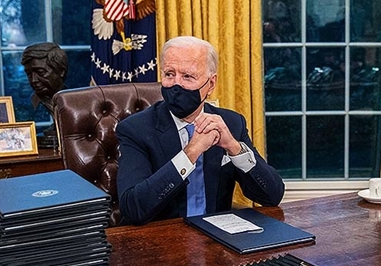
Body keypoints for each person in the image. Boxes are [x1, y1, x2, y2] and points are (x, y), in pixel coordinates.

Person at [116, 36, 285, 225]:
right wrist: (191, 153)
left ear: (211, 84)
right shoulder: (135, 129)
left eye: (187, 76)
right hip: (161, 235)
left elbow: (272, 195)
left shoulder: (231, 123)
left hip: (216, 235)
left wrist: (234, 147)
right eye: (169, 74)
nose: (176, 84)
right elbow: (133, 208)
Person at [21, 42, 68, 118]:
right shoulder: (25, 109)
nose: (33, 80)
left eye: (41, 72)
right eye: (29, 74)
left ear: (61, 71)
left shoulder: (76, 102)